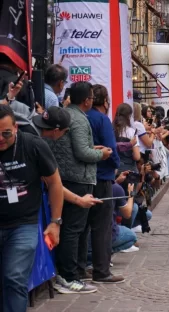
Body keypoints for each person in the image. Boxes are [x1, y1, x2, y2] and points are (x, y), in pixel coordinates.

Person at [49, 82, 111, 294]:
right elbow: (81, 153)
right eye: (92, 97)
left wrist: (92, 148)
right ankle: (68, 276)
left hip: (67, 178)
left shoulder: (68, 115)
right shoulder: (77, 119)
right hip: (76, 180)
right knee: (73, 230)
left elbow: (73, 147)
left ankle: (72, 272)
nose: (93, 101)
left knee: (73, 229)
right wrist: (101, 155)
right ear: (87, 100)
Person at [0, 105, 64, 312]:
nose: (1, 138)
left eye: (6, 133)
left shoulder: (33, 145)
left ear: (16, 128)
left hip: (23, 224)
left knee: (14, 277)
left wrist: (55, 223)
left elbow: (55, 183)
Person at [86, 85, 124, 284]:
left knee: (83, 226)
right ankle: (102, 270)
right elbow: (111, 148)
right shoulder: (101, 119)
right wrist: (115, 164)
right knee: (102, 226)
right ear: (106, 102)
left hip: (83, 178)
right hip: (102, 176)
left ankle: (80, 267)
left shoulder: (82, 116)